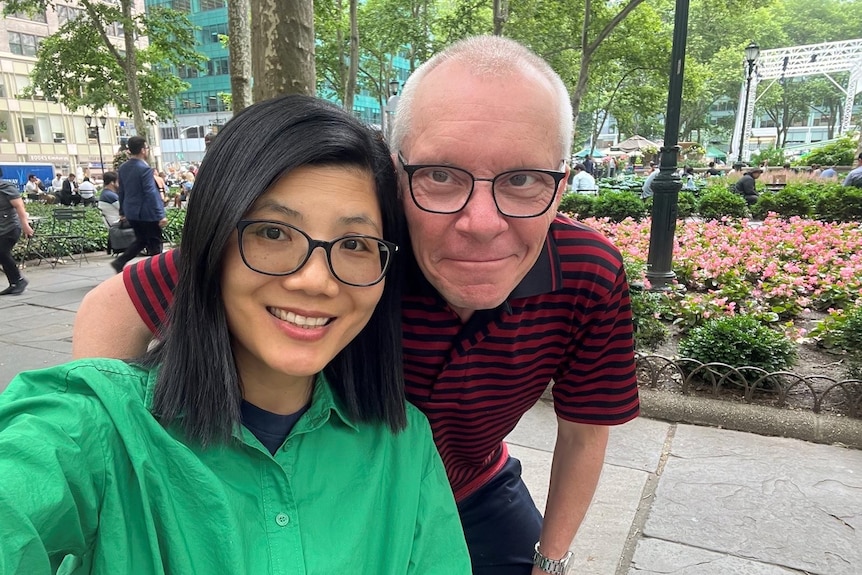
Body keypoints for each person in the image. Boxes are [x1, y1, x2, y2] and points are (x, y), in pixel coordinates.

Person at [73, 36, 639, 575]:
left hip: (476, 483)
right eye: (441, 177)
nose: (481, 224)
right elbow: (115, 306)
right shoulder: (351, 247)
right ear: (396, 176)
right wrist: (116, 460)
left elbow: (586, 431)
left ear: (560, 188)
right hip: (334, 489)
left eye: (522, 180)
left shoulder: (587, 273)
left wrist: (552, 558)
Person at [0, 95, 471, 573]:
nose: (315, 280)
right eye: (272, 233)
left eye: (353, 244)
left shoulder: (403, 443)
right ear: (213, 242)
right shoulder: (93, 427)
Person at [110, 136, 167, 273]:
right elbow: (150, 192)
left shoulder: (123, 168)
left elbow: (121, 191)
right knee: (155, 241)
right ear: (142, 150)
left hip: (132, 212)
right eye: (146, 148)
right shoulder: (145, 169)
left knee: (142, 240)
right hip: (147, 212)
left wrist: (123, 211)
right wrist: (160, 214)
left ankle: (120, 261)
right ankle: (158, 270)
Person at [0, 167, 34, 295]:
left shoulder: (5, 187)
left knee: (2, 252)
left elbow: (19, 206)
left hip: (11, 227)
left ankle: (18, 281)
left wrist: (25, 225)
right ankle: (15, 282)